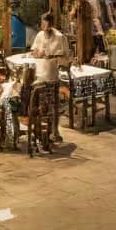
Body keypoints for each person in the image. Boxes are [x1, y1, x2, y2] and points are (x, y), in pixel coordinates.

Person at [30, 12, 69, 140]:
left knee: (54, 104)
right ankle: (38, 129)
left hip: (51, 74)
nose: (44, 25)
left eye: (46, 23)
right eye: (42, 23)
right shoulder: (40, 35)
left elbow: (65, 57)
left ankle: (55, 131)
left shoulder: (59, 37)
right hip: (38, 74)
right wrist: (37, 53)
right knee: (38, 102)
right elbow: (34, 50)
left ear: (51, 24)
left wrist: (50, 55)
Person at [70, 0, 95, 65]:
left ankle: (83, 62)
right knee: (84, 46)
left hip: (83, 28)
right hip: (83, 28)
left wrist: (75, 11)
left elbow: (73, 16)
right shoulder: (81, 3)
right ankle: (83, 61)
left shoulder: (82, 3)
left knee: (83, 46)